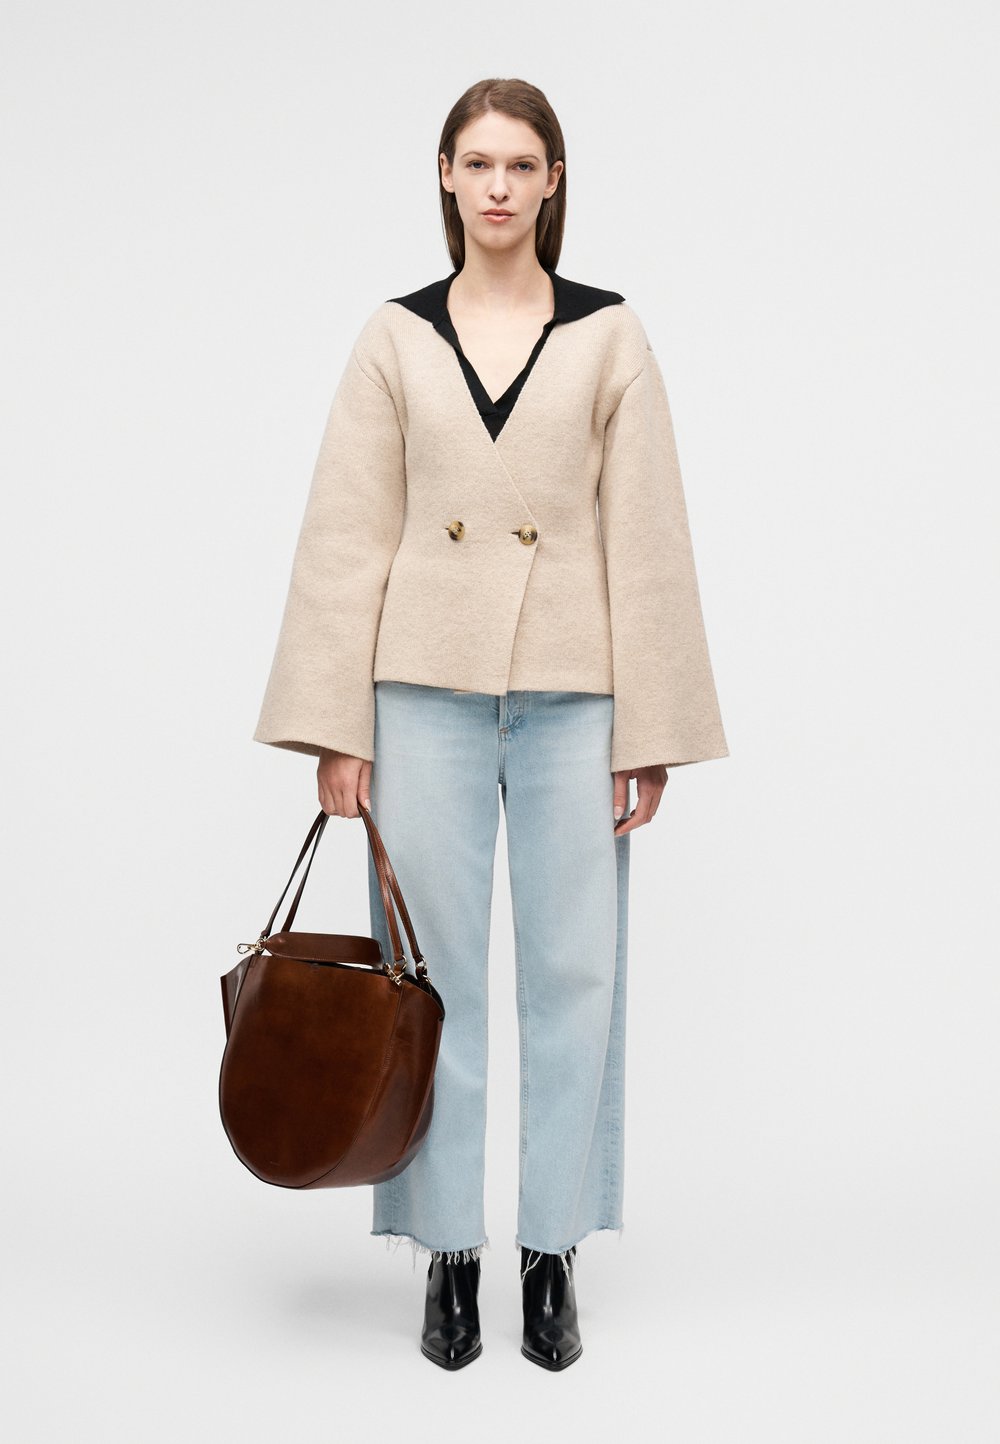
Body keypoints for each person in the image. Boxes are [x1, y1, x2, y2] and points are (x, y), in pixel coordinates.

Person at [252, 77, 729, 1371]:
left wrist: (653, 728)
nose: (501, 186)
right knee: (433, 984)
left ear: (554, 180)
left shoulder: (610, 333)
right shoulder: (394, 337)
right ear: (447, 177)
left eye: (523, 164)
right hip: (422, 689)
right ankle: (448, 1254)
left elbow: (648, 536)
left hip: (578, 692)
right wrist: (337, 728)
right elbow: (346, 536)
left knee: (577, 976)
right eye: (480, 163)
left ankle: (551, 1251)